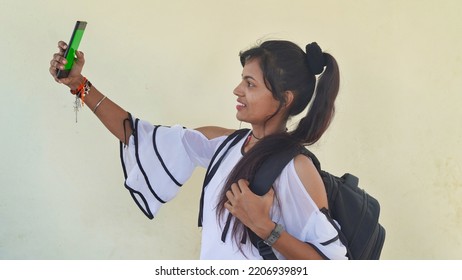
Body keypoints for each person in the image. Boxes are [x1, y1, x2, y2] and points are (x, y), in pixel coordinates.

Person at [49, 39, 347, 260]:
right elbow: (137, 135)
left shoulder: (297, 169)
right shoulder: (225, 146)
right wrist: (79, 85)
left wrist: (264, 226)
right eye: (242, 79)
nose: (237, 90)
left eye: (250, 84)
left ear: (285, 99)